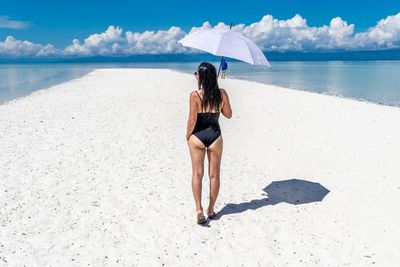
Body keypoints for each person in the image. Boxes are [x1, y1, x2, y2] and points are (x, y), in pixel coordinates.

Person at [186, 62, 233, 224]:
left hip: (197, 136)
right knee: (214, 175)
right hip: (215, 135)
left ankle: (198, 209)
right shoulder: (222, 93)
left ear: (201, 76)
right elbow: (228, 115)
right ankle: (211, 209)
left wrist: (187, 136)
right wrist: (221, 101)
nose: (195, 75)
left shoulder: (195, 95)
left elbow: (192, 120)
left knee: (197, 174)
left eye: (196, 73)